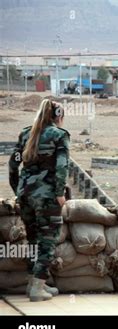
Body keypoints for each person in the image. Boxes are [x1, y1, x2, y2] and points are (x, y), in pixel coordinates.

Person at [8, 99, 69, 302]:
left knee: (33, 240)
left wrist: (18, 188)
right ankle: (38, 287)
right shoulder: (59, 136)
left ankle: (33, 283)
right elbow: (62, 166)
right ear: (58, 115)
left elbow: (13, 163)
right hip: (47, 196)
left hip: (25, 195)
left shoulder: (26, 133)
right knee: (48, 241)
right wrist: (60, 193)